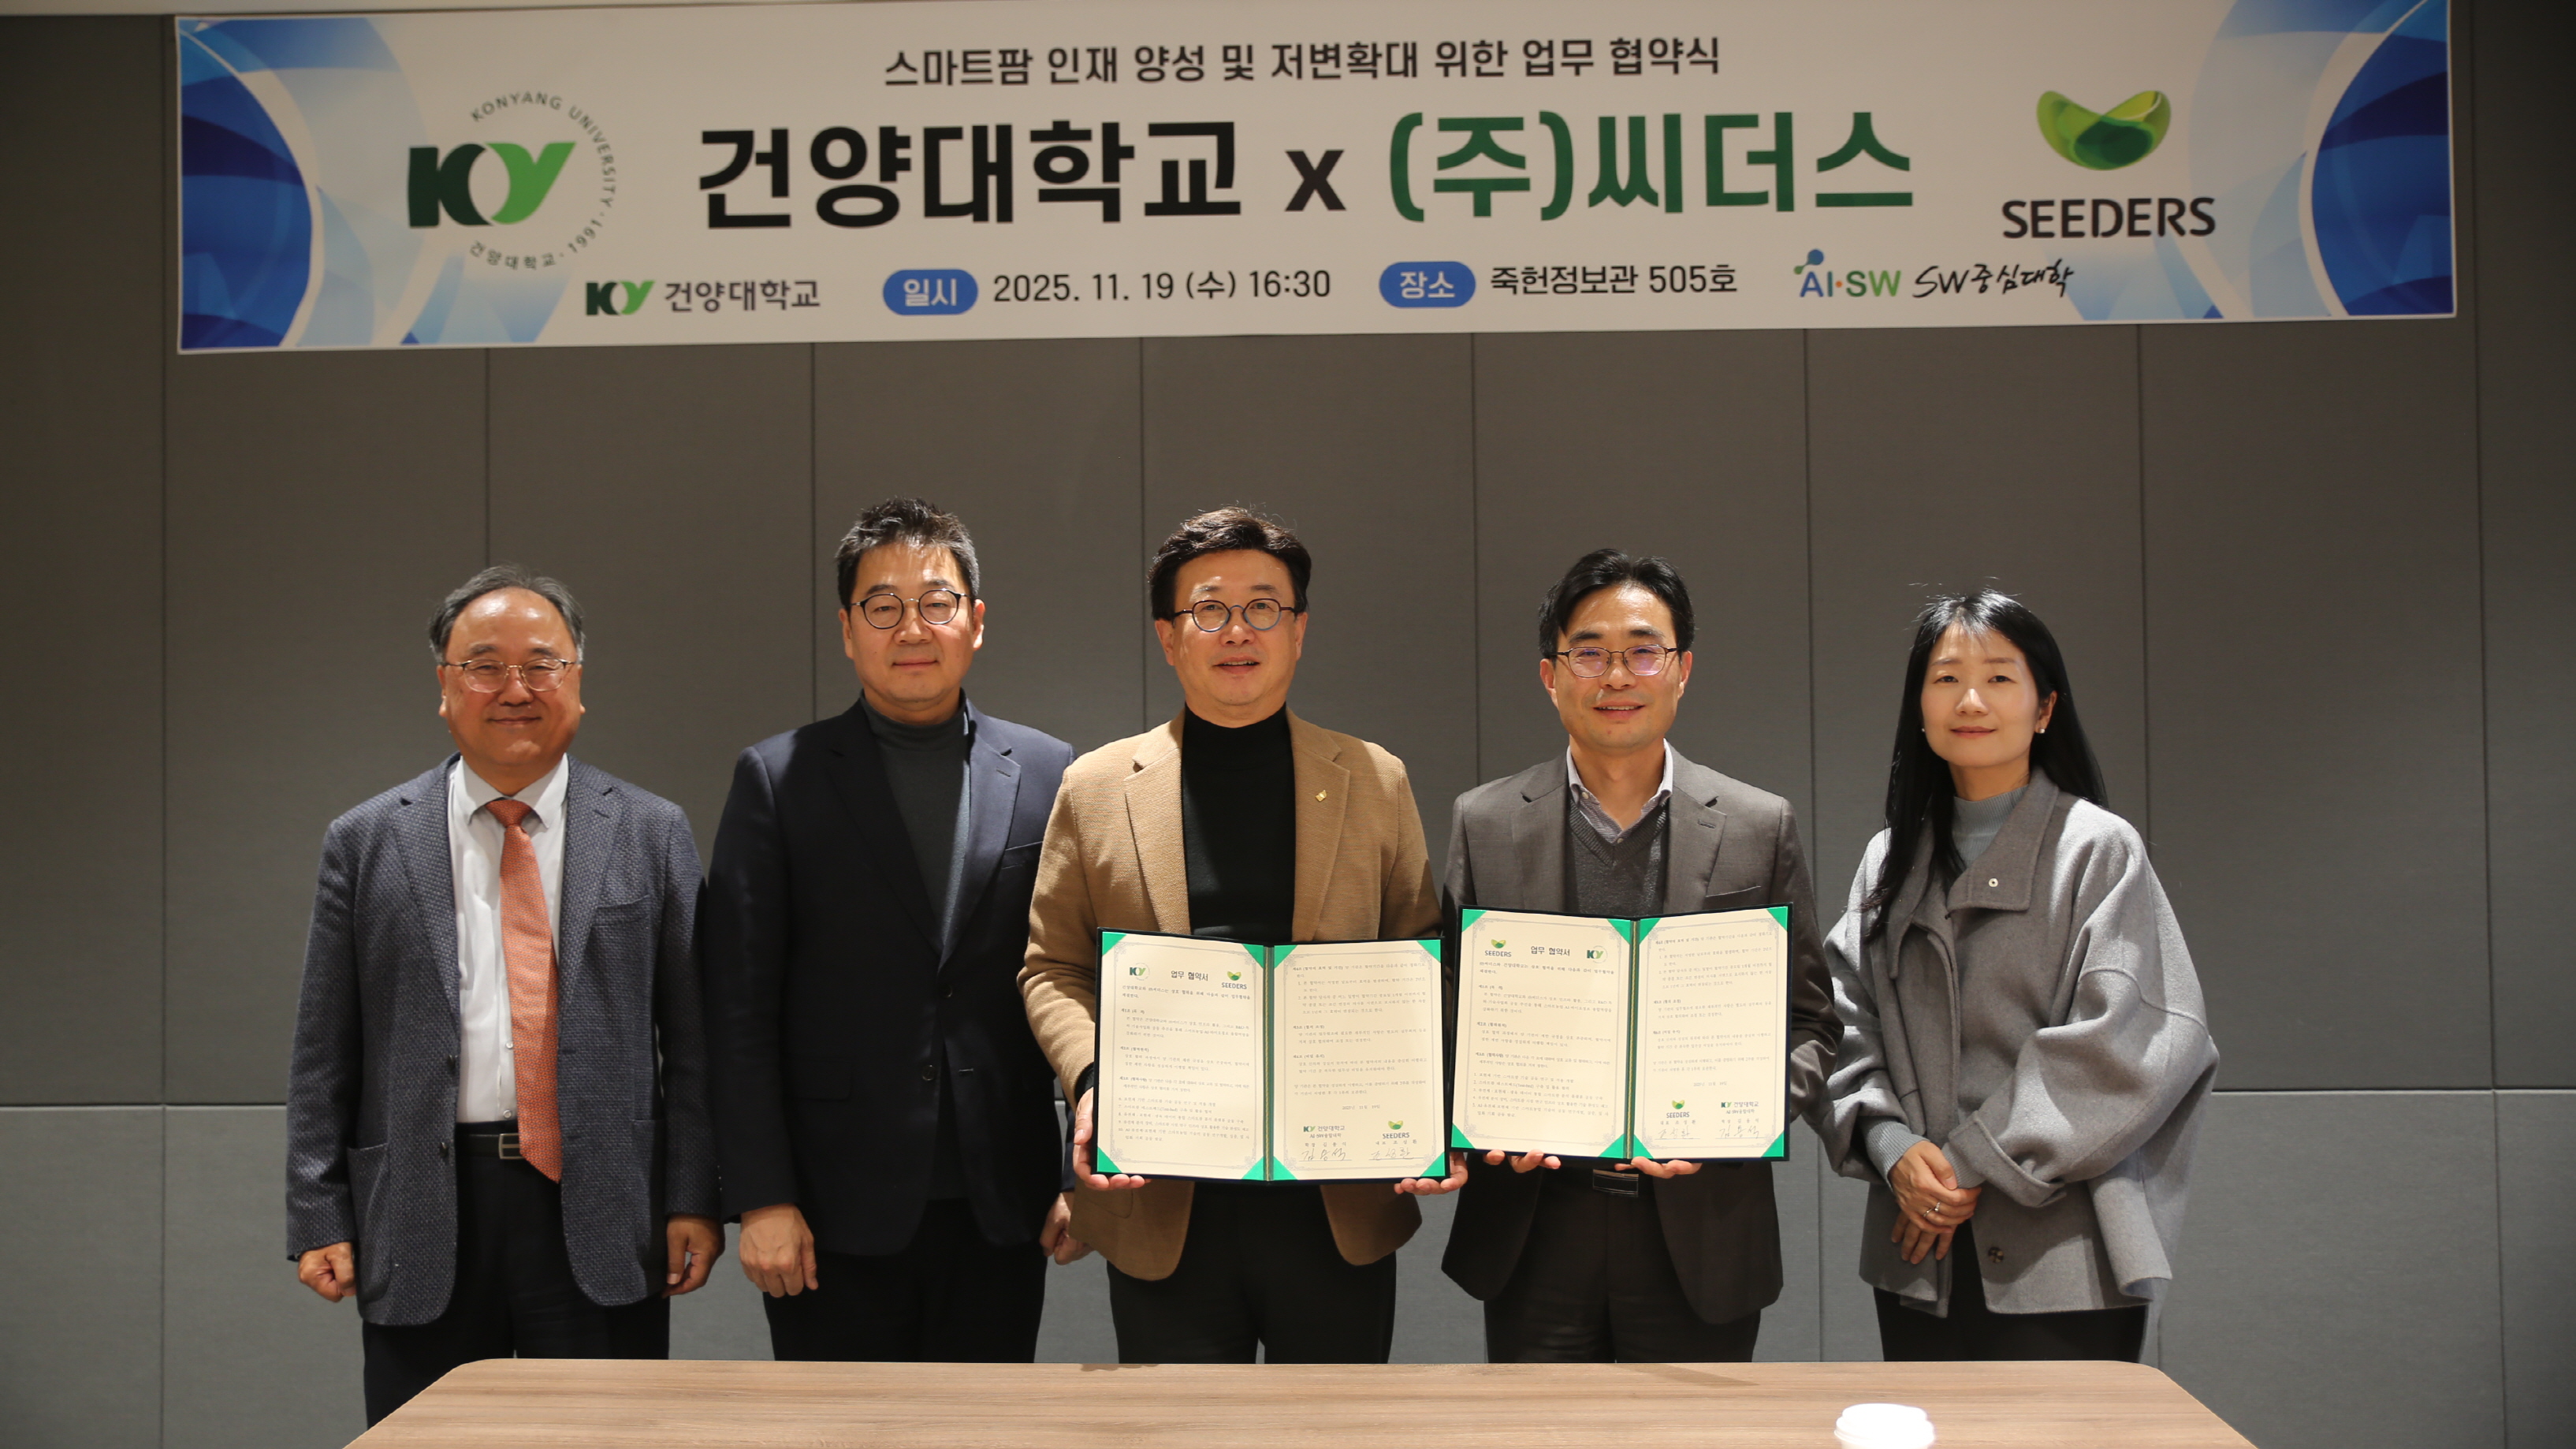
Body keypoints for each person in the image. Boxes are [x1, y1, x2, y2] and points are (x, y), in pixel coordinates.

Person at [1019, 506, 1465, 1365]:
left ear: (1299, 630)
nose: (1237, 630)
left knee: (1335, 1428)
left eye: (1263, 606)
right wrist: (1095, 1076)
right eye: (1209, 609)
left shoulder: (1375, 779)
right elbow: (1052, 966)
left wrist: (1424, 1099)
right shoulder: (1096, 786)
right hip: (1162, 1198)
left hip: (1336, 1197)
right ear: (1167, 635)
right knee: (1176, 1427)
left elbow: (1420, 961)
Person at [285, 567, 719, 1425]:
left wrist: (693, 1196)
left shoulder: (651, 831)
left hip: (605, 1204)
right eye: (484, 665)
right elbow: (322, 1051)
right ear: (444, 686)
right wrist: (317, 1210)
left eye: (542, 664)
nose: (515, 689)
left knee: (605, 1438)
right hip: (423, 1204)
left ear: (578, 681)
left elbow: (696, 1044)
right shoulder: (367, 840)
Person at [701, 498, 1085, 1363]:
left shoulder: (1049, 771)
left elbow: (1078, 977)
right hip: (829, 1208)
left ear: (975, 620)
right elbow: (738, 1009)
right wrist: (761, 1196)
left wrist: (1075, 1174)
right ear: (847, 629)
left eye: (936, 602)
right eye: (883, 606)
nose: (912, 627)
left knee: (987, 1425)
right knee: (840, 1426)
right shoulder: (779, 778)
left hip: (1002, 1201)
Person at [1438, 549, 1841, 1363]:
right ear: (1550, 675)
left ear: (1682, 669)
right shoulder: (1484, 822)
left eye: (1643, 651)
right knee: (1540, 1428)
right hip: (1535, 1224)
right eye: (1588, 652)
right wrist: (1466, 1115)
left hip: (1704, 1226)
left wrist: (1740, 1115)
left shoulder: (1758, 825)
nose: (1617, 675)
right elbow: (1446, 1012)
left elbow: (1812, 1024)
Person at [1821, 590, 2218, 1361]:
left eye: (2000, 678)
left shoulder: (2098, 849)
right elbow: (1845, 1021)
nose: (1970, 700)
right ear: (1919, 707)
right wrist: (1893, 1146)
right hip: (1918, 1251)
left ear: (2044, 708)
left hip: (2063, 1259)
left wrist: (1969, 1160)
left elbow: (2126, 1044)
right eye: (1946, 679)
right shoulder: (1887, 858)